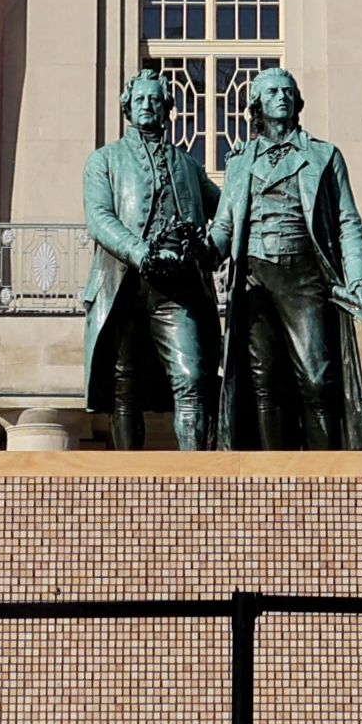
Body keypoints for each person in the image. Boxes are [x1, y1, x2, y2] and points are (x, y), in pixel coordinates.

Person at [198, 66, 362, 449]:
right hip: (254, 277)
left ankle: (323, 470)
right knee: (263, 379)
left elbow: (347, 221)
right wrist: (202, 252)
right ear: (257, 105)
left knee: (316, 377)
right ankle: (274, 471)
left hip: (303, 275)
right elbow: (224, 227)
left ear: (297, 101)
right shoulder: (240, 162)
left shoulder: (323, 155)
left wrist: (359, 280)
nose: (282, 97)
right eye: (272, 92)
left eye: (288, 91)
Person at [80, 68, 221, 448]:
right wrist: (141, 253)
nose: (147, 105)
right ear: (127, 107)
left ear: (166, 108)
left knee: (191, 377)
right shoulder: (104, 160)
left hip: (178, 286)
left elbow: (224, 212)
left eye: (155, 99)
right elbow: (100, 218)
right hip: (123, 281)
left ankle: (197, 472)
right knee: (124, 382)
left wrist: (240, 172)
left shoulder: (188, 165)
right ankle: (129, 474)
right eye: (140, 99)